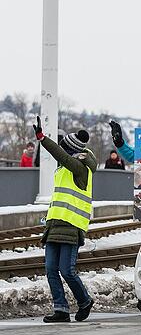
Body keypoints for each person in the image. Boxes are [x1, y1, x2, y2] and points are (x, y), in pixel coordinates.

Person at [32, 117, 95, 323]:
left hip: (71, 226)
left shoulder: (79, 169)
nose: (61, 152)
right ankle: (61, 309)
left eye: (64, 148)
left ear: (70, 150)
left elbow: (61, 154)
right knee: (51, 269)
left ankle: (85, 301)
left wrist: (43, 139)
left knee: (66, 271)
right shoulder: (62, 169)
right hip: (55, 225)